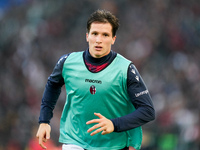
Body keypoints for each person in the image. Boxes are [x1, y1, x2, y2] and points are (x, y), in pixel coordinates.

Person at [36, 9, 155, 150]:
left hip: (112, 145)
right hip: (75, 141)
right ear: (87, 36)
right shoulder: (67, 62)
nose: (99, 40)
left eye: (105, 35)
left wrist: (114, 124)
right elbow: (52, 85)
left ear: (113, 39)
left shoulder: (126, 69)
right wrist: (44, 121)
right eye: (95, 34)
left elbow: (147, 111)